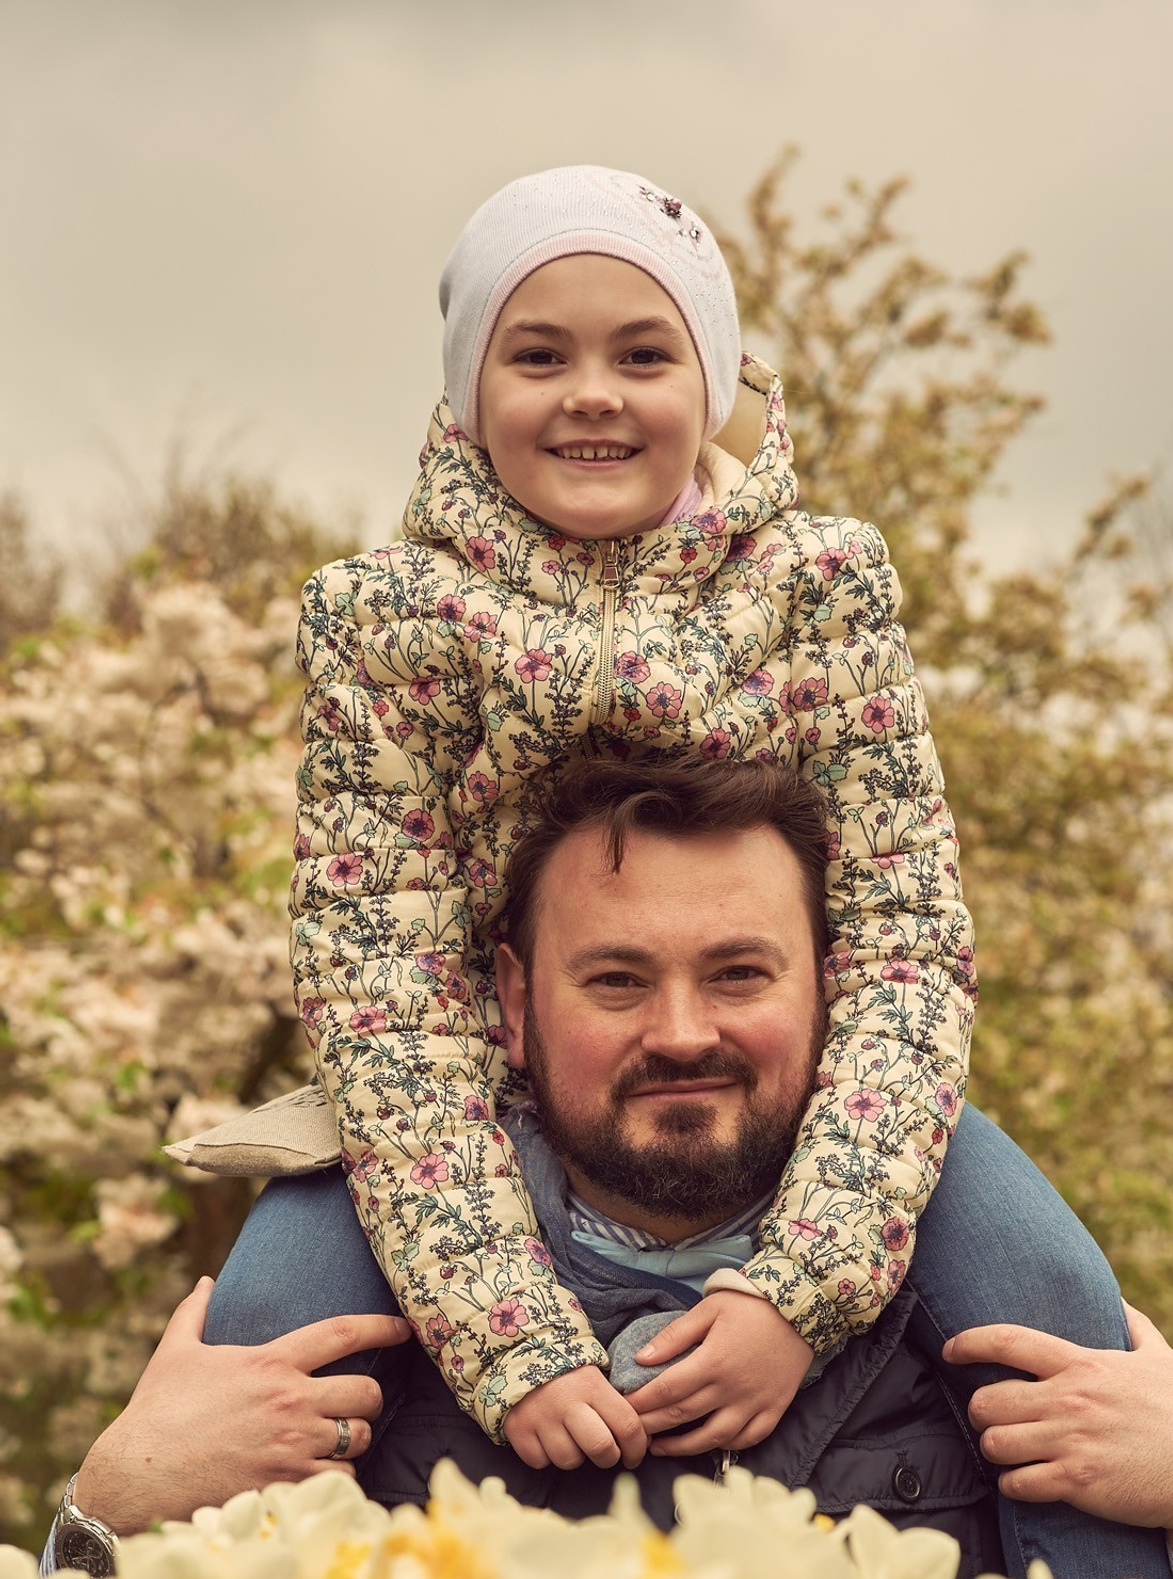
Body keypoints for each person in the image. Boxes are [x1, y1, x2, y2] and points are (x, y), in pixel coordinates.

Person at [51, 760, 1173, 1579]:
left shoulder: (991, 1307)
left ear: (835, 988)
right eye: (617, 980)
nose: (682, 1031)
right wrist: (105, 1520)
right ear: (515, 1004)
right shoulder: (341, 1328)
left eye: (738, 972)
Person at [284, 162, 977, 1468]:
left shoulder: (817, 585)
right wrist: (505, 1331)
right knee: (265, 1315)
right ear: (470, 393)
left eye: (644, 354)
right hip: (469, 1104)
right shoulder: (386, 620)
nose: (592, 393)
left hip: (816, 1102)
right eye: (537, 354)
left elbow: (903, 939)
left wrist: (804, 1282)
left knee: (1054, 1312)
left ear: (710, 384)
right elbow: (383, 974)